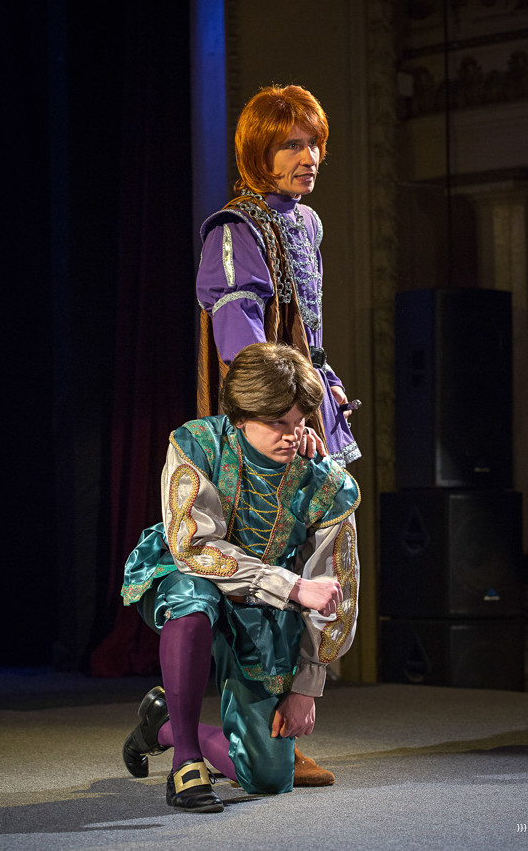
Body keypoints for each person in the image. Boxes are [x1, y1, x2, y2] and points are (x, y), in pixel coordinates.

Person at [121, 342, 360, 812]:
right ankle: (186, 763)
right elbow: (195, 547)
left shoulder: (326, 483)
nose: (292, 436)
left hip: (263, 609)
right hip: (189, 573)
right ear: (240, 416)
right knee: (193, 600)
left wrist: (306, 686)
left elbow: (339, 590)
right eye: (278, 423)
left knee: (268, 777)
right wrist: (292, 586)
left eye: (299, 422)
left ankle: (164, 725)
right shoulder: (198, 444)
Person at [196, 83, 361, 469]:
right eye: (292, 146)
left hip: (306, 401)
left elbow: (306, 331)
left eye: (313, 143)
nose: (310, 158)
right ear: (260, 154)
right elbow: (244, 350)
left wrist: (327, 382)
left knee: (332, 505)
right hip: (271, 416)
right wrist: (287, 416)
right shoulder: (237, 228)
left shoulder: (306, 222)